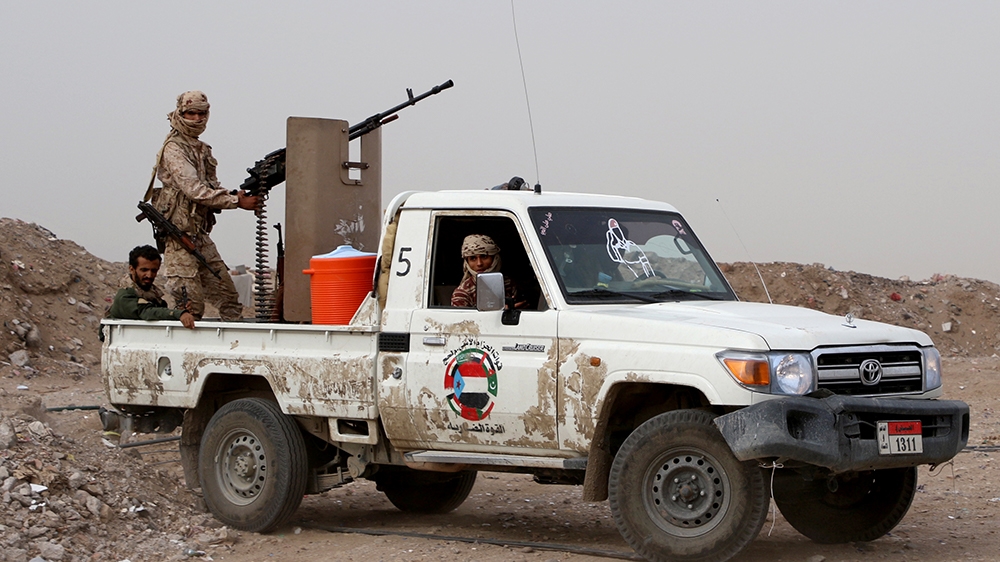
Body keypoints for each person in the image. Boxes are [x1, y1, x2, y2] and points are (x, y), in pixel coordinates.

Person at [144, 90, 260, 321]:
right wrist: (237, 202)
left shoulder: (201, 149)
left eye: (201, 113)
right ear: (180, 113)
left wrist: (234, 194)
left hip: (199, 236)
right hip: (179, 240)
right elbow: (194, 190)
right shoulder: (174, 148)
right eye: (191, 113)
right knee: (190, 308)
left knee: (228, 298)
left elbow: (211, 186)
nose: (197, 119)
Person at [105, 245, 195, 332]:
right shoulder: (125, 294)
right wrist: (178, 314)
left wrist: (181, 311)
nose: (149, 275)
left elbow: (159, 312)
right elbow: (146, 312)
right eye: (144, 270)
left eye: (154, 271)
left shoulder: (151, 292)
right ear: (132, 269)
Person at [451, 234, 519, 308]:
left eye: (484, 256)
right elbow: (464, 319)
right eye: (473, 258)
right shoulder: (462, 293)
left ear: (495, 258)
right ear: (467, 262)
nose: (479, 263)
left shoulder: (508, 284)